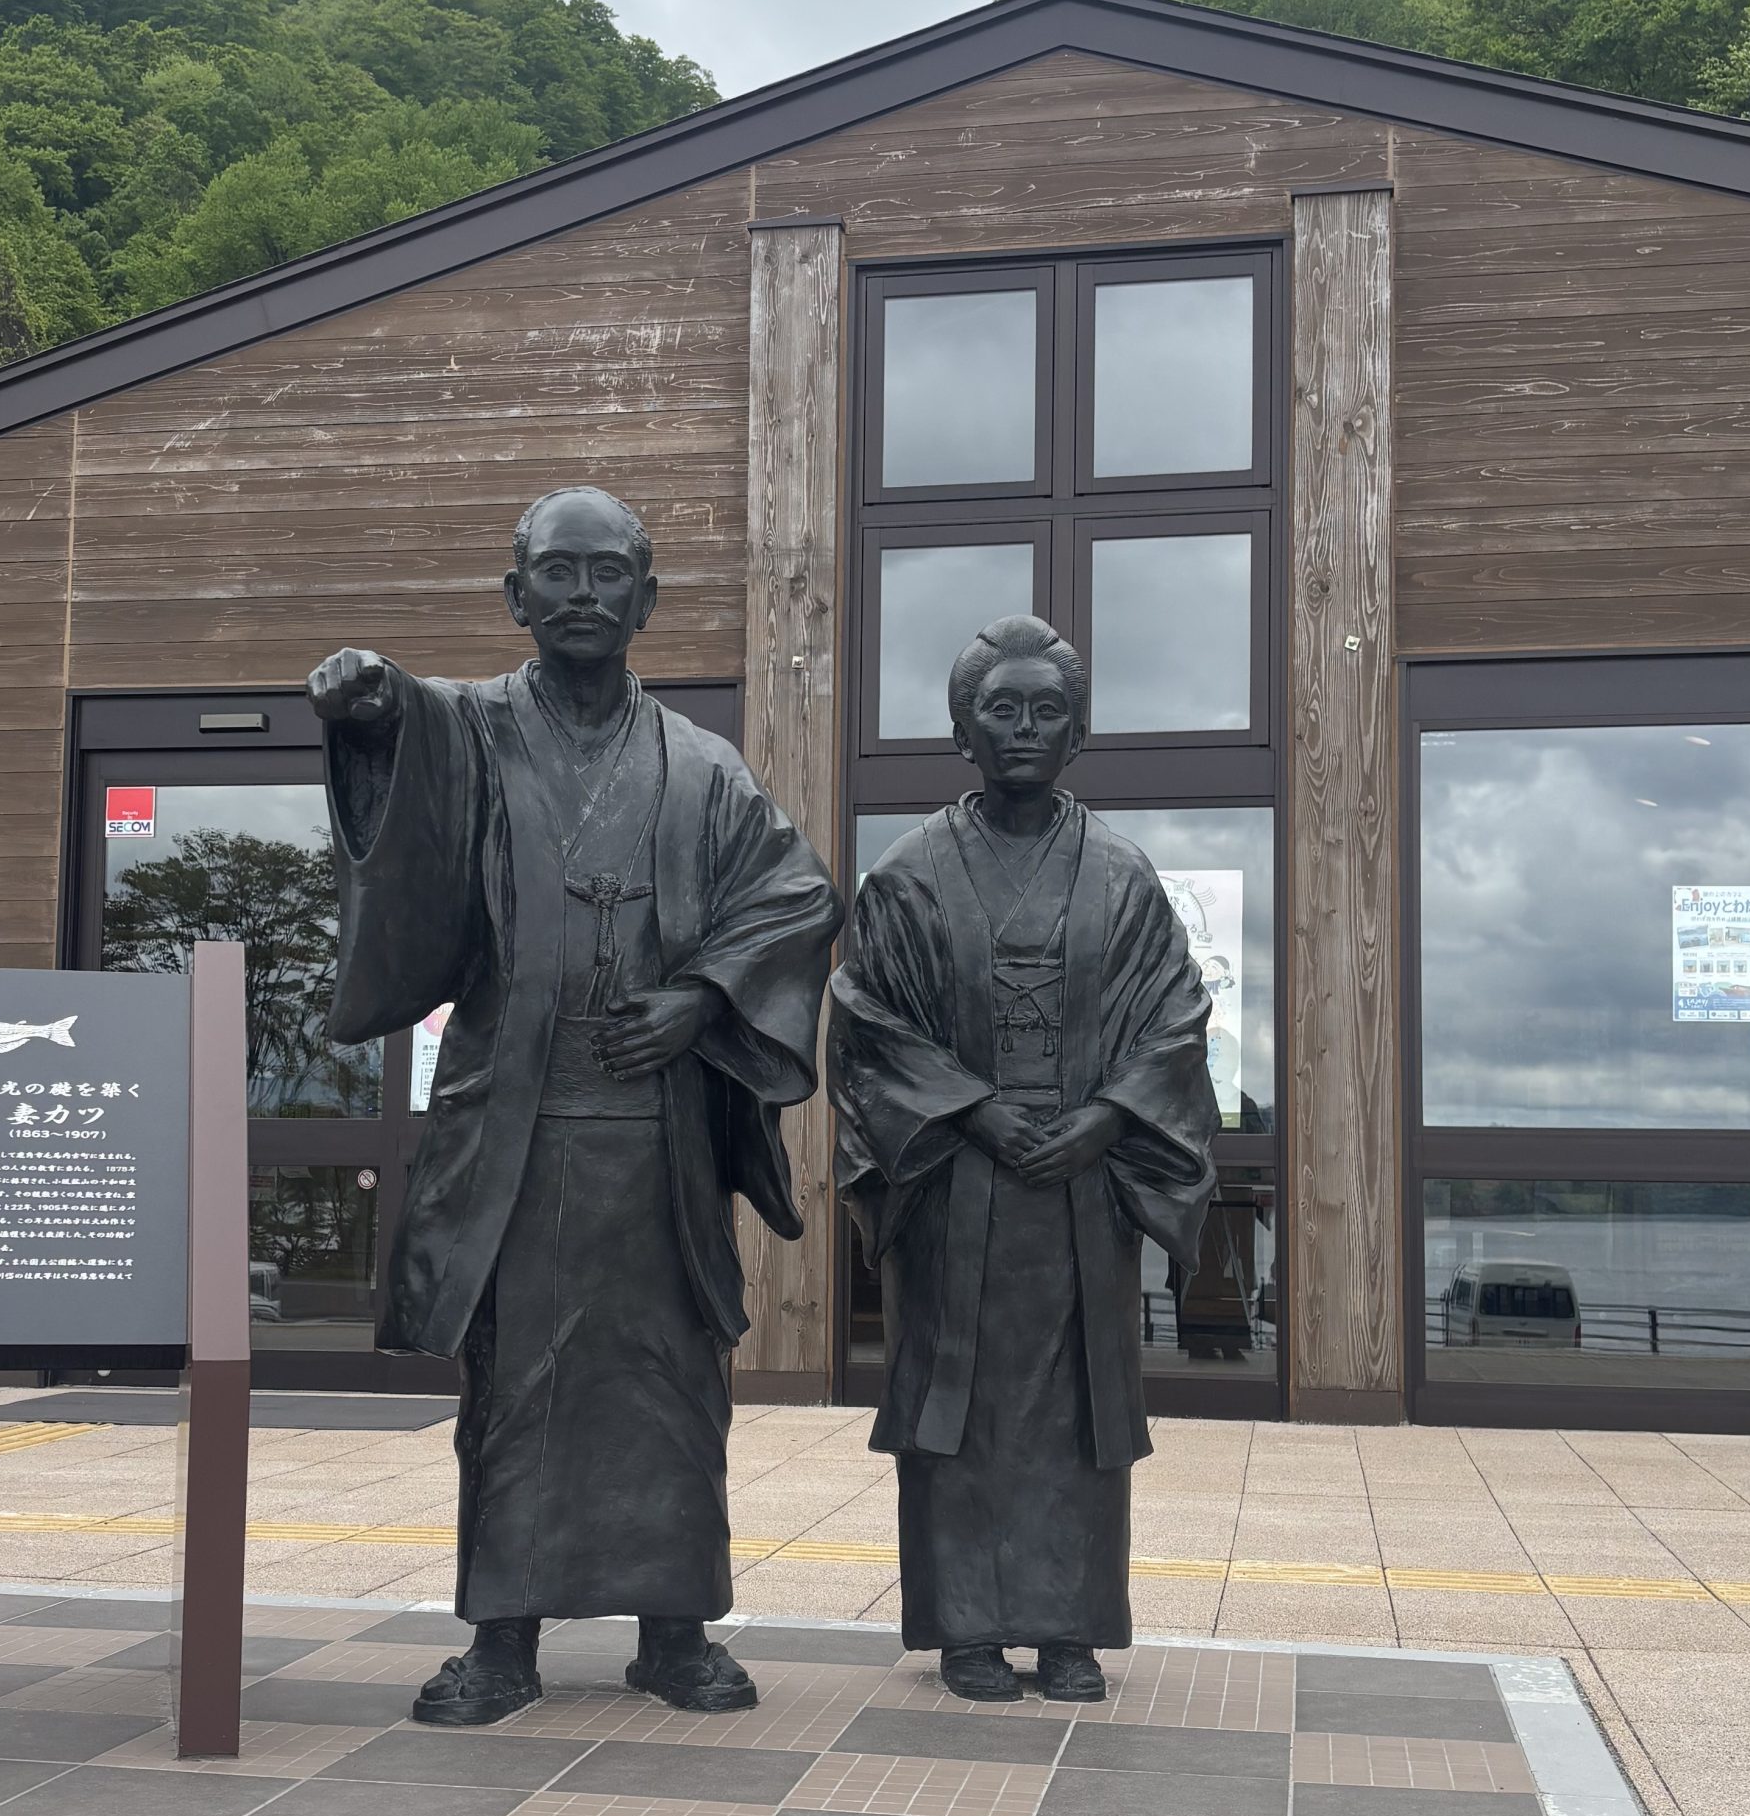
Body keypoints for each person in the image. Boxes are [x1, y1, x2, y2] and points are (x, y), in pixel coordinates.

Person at [306, 487, 841, 1725]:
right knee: (513, 1386)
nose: (584, 593)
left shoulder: (701, 766)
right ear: (516, 595)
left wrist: (700, 999)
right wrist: (369, 711)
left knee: (670, 1382)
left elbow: (797, 895)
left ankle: (674, 1631)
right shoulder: (470, 728)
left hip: (657, 1137)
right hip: (518, 1130)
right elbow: (400, 738)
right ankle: (501, 1641)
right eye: (559, 571)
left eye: (609, 574)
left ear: (647, 600)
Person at [828, 616, 1217, 1701]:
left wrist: (1107, 1119)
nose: (1024, 728)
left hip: (1081, 1190)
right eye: (1000, 709)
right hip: (955, 1179)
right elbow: (865, 1021)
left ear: (1078, 731)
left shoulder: (1122, 876)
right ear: (962, 729)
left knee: (1076, 1411)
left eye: (1048, 710)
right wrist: (970, 1112)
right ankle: (964, 1627)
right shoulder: (907, 874)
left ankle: (1067, 1628)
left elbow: (1176, 1020)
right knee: (955, 1405)